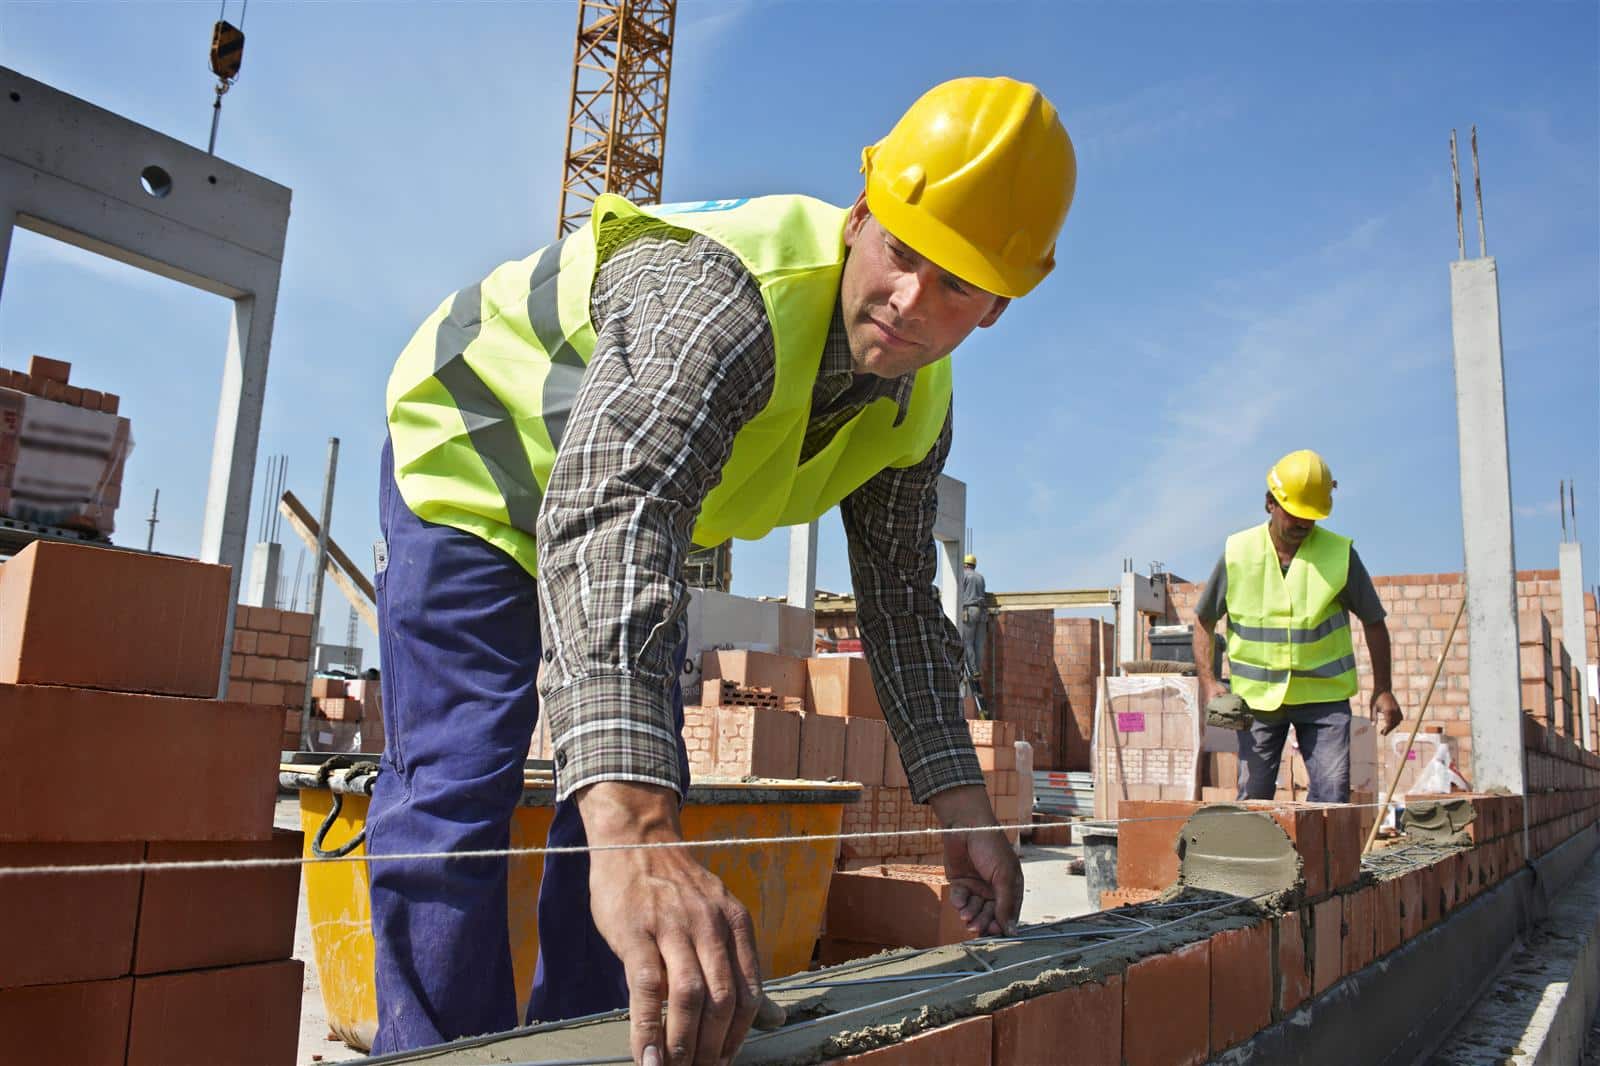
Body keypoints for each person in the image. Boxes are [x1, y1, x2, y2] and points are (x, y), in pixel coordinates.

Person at [372, 77, 1076, 1063]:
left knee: (638, 783)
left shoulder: (913, 404)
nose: (910, 301)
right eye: (900, 252)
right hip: (482, 459)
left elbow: (902, 601)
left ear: (997, 306)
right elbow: (616, 519)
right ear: (862, 212)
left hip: (621, 523)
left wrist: (960, 802)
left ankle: (585, 1044)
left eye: (955, 284)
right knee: (462, 780)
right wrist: (638, 836)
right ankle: (436, 1053)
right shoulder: (720, 298)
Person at [1192, 449, 1404, 804]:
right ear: (1270, 503)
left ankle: (1321, 862)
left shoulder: (1340, 554)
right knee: (1253, 798)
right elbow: (1203, 619)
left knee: (1331, 799)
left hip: (1324, 699)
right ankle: (1255, 860)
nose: (1304, 524)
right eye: (1295, 514)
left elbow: (1374, 622)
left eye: (1312, 516)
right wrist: (1209, 681)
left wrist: (1383, 688)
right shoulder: (1238, 552)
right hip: (1258, 701)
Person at [960, 552, 988, 683]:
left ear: (965, 564)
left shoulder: (964, 575)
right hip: (982, 612)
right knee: (979, 643)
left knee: (967, 642)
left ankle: (972, 670)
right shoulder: (980, 577)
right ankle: (977, 669)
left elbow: (958, 591)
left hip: (969, 610)